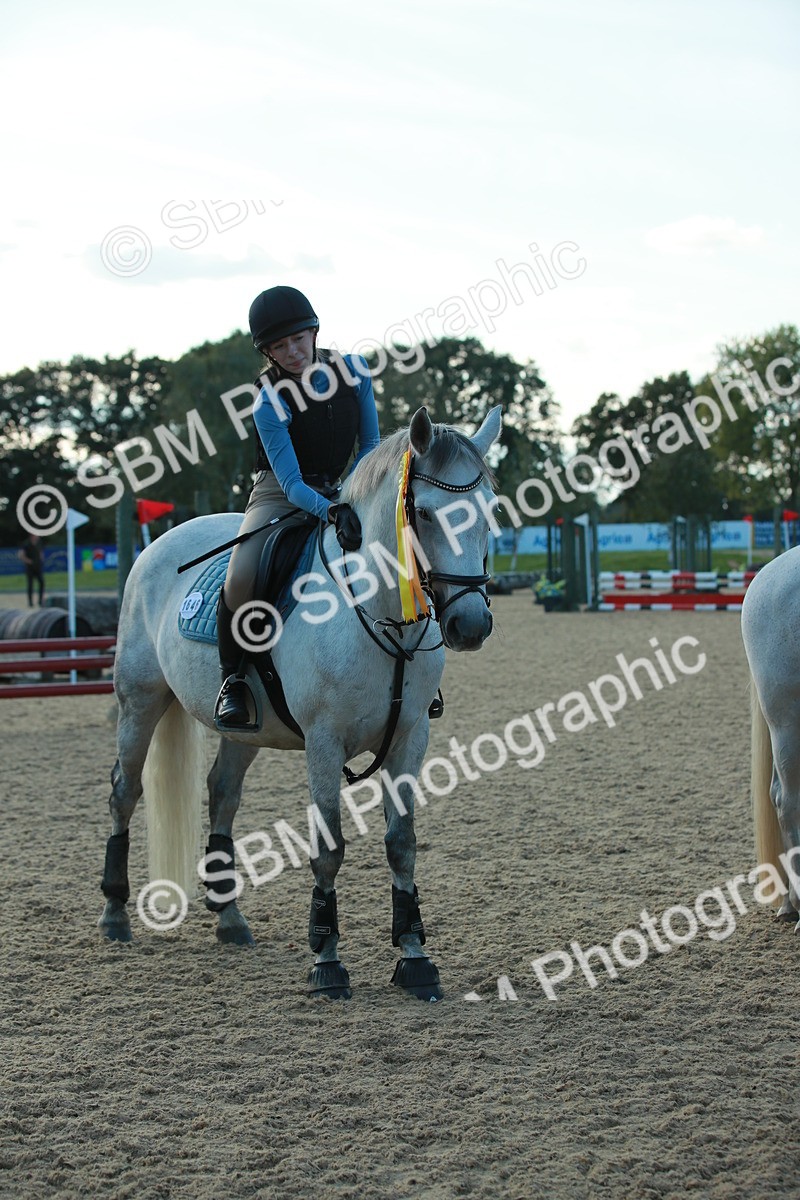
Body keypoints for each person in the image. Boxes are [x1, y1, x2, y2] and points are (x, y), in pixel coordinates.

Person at [215, 285, 381, 727]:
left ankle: (416, 663)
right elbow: (289, 482)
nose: (292, 352)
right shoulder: (267, 398)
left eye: (298, 339)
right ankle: (233, 680)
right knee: (244, 573)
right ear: (267, 352)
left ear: (314, 331)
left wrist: (350, 493)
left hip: (346, 486)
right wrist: (328, 509)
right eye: (279, 346)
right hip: (280, 493)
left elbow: (371, 444)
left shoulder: (355, 372)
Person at [19, 533, 45, 607]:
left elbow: (41, 552)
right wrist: (28, 561)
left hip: (38, 566)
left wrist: (41, 559)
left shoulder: (39, 542)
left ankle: (40, 601)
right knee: (30, 585)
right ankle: (30, 602)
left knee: (41, 582)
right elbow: (21, 555)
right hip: (30, 567)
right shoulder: (26, 543)